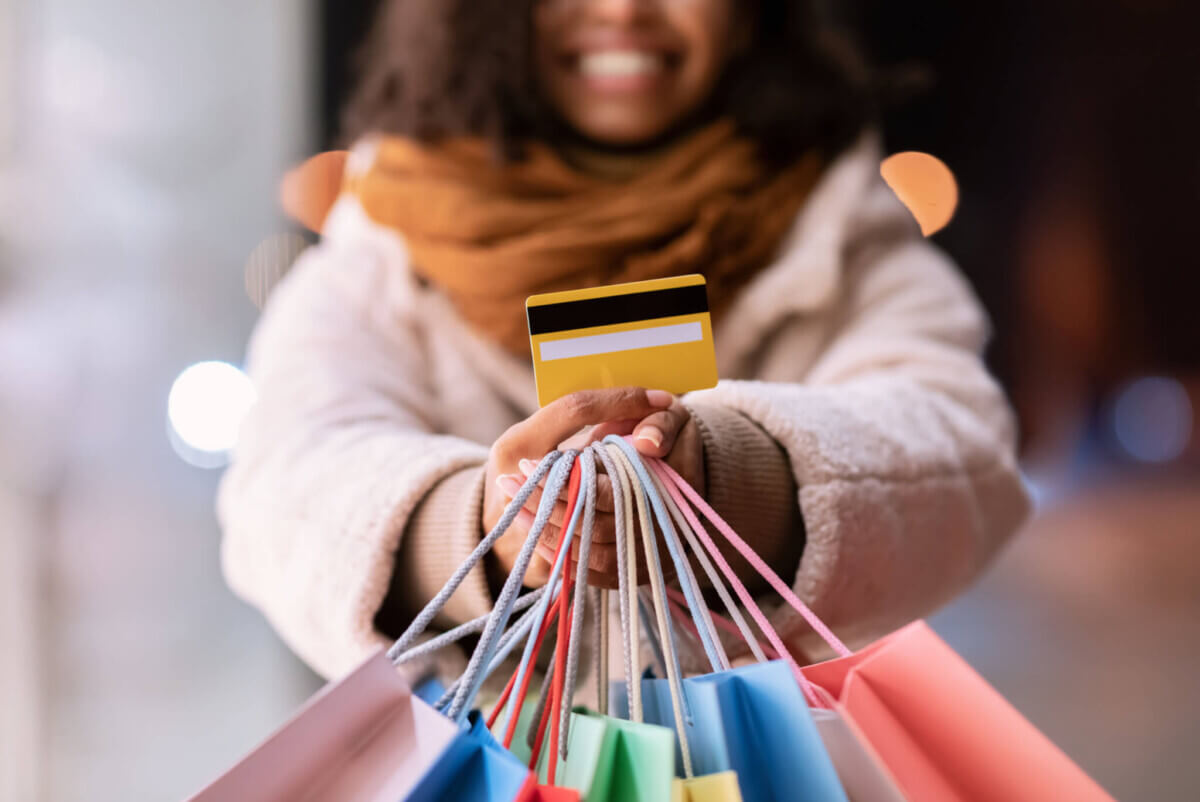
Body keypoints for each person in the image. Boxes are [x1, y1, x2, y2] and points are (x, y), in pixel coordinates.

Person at [218, 0, 1031, 683]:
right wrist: (494, 531)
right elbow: (286, 486)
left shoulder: (841, 224)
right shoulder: (387, 233)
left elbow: (962, 453)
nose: (622, 10)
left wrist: (723, 481)